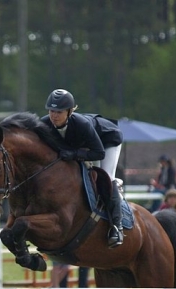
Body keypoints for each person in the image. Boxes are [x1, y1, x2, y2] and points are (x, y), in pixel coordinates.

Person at [40, 88, 123, 248]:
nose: (54, 115)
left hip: (107, 141)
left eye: (59, 111)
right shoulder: (44, 123)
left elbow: (99, 153)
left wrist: (73, 154)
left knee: (106, 177)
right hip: (85, 147)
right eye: (51, 110)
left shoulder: (81, 124)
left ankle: (116, 227)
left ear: (69, 111)